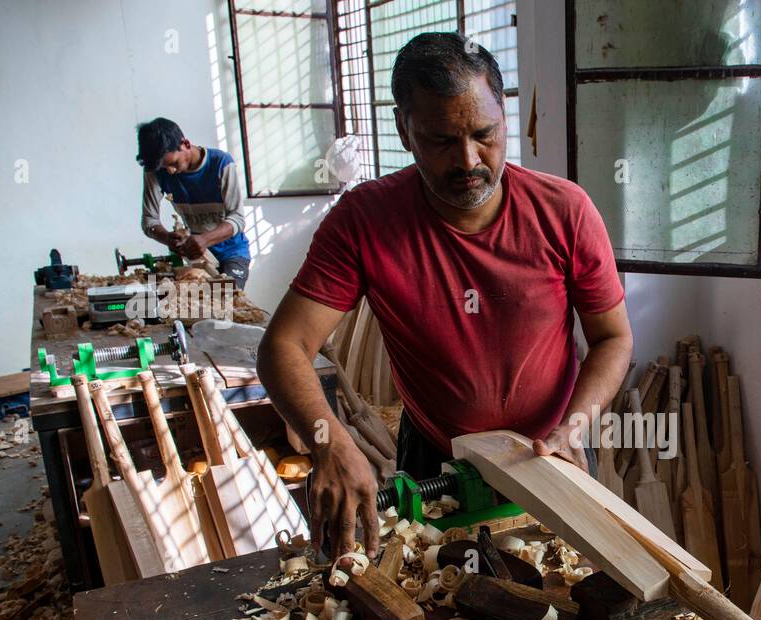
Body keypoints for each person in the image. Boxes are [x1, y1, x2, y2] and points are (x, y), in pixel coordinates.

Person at [258, 33, 633, 560]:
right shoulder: (364, 221)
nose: (468, 160)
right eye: (440, 140)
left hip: (552, 453)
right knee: (439, 610)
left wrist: (575, 426)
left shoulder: (565, 210)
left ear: (504, 115)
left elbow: (613, 337)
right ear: (404, 131)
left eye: (485, 134)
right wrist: (330, 441)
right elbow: (283, 345)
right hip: (435, 458)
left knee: (562, 598)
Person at [136, 118, 252, 288]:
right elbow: (149, 221)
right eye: (164, 167)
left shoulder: (221, 163)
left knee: (228, 298)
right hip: (195, 256)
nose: (170, 171)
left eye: (174, 163)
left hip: (232, 252)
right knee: (193, 304)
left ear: (185, 144)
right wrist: (168, 238)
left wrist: (205, 239)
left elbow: (238, 218)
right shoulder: (157, 170)